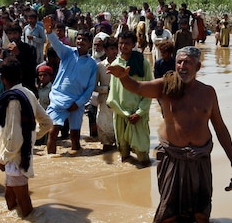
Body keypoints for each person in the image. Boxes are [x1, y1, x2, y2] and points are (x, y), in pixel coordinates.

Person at [107, 46, 232, 223]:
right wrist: (123, 77)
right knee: (168, 217)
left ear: (198, 66)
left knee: (202, 216)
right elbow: (137, 88)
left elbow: (220, 129)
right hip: (172, 158)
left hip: (200, 159)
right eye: (179, 62)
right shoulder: (166, 86)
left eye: (188, 62)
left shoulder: (208, 93)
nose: (182, 66)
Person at [0, 59, 53, 218]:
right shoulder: (29, 93)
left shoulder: (13, 99)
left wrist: (3, 159)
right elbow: (47, 123)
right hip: (21, 153)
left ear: (1, 77)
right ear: (20, 75)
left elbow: (13, 136)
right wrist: (32, 137)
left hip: (15, 156)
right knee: (9, 196)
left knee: (22, 198)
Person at [42, 15, 98, 154]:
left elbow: (90, 88)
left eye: (84, 40)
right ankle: (51, 160)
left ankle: (76, 155)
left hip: (76, 103)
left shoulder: (92, 64)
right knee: (53, 132)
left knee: (74, 136)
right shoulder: (67, 52)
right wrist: (49, 32)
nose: (80, 41)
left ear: (89, 43)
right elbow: (56, 43)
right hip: (58, 98)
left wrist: (78, 103)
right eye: (79, 39)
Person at [107, 31, 153, 164]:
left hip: (138, 114)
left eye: (127, 43)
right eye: (121, 43)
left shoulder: (143, 63)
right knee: (123, 151)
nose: (123, 46)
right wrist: (121, 111)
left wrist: (139, 112)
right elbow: (113, 93)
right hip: (121, 113)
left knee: (142, 152)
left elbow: (149, 90)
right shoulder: (115, 65)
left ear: (133, 44)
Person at [95, 37, 119, 152]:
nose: (114, 51)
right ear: (105, 50)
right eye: (112, 48)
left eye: (116, 49)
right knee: (105, 137)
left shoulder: (122, 65)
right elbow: (94, 86)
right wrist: (106, 89)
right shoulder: (100, 66)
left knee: (120, 137)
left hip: (119, 102)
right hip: (104, 102)